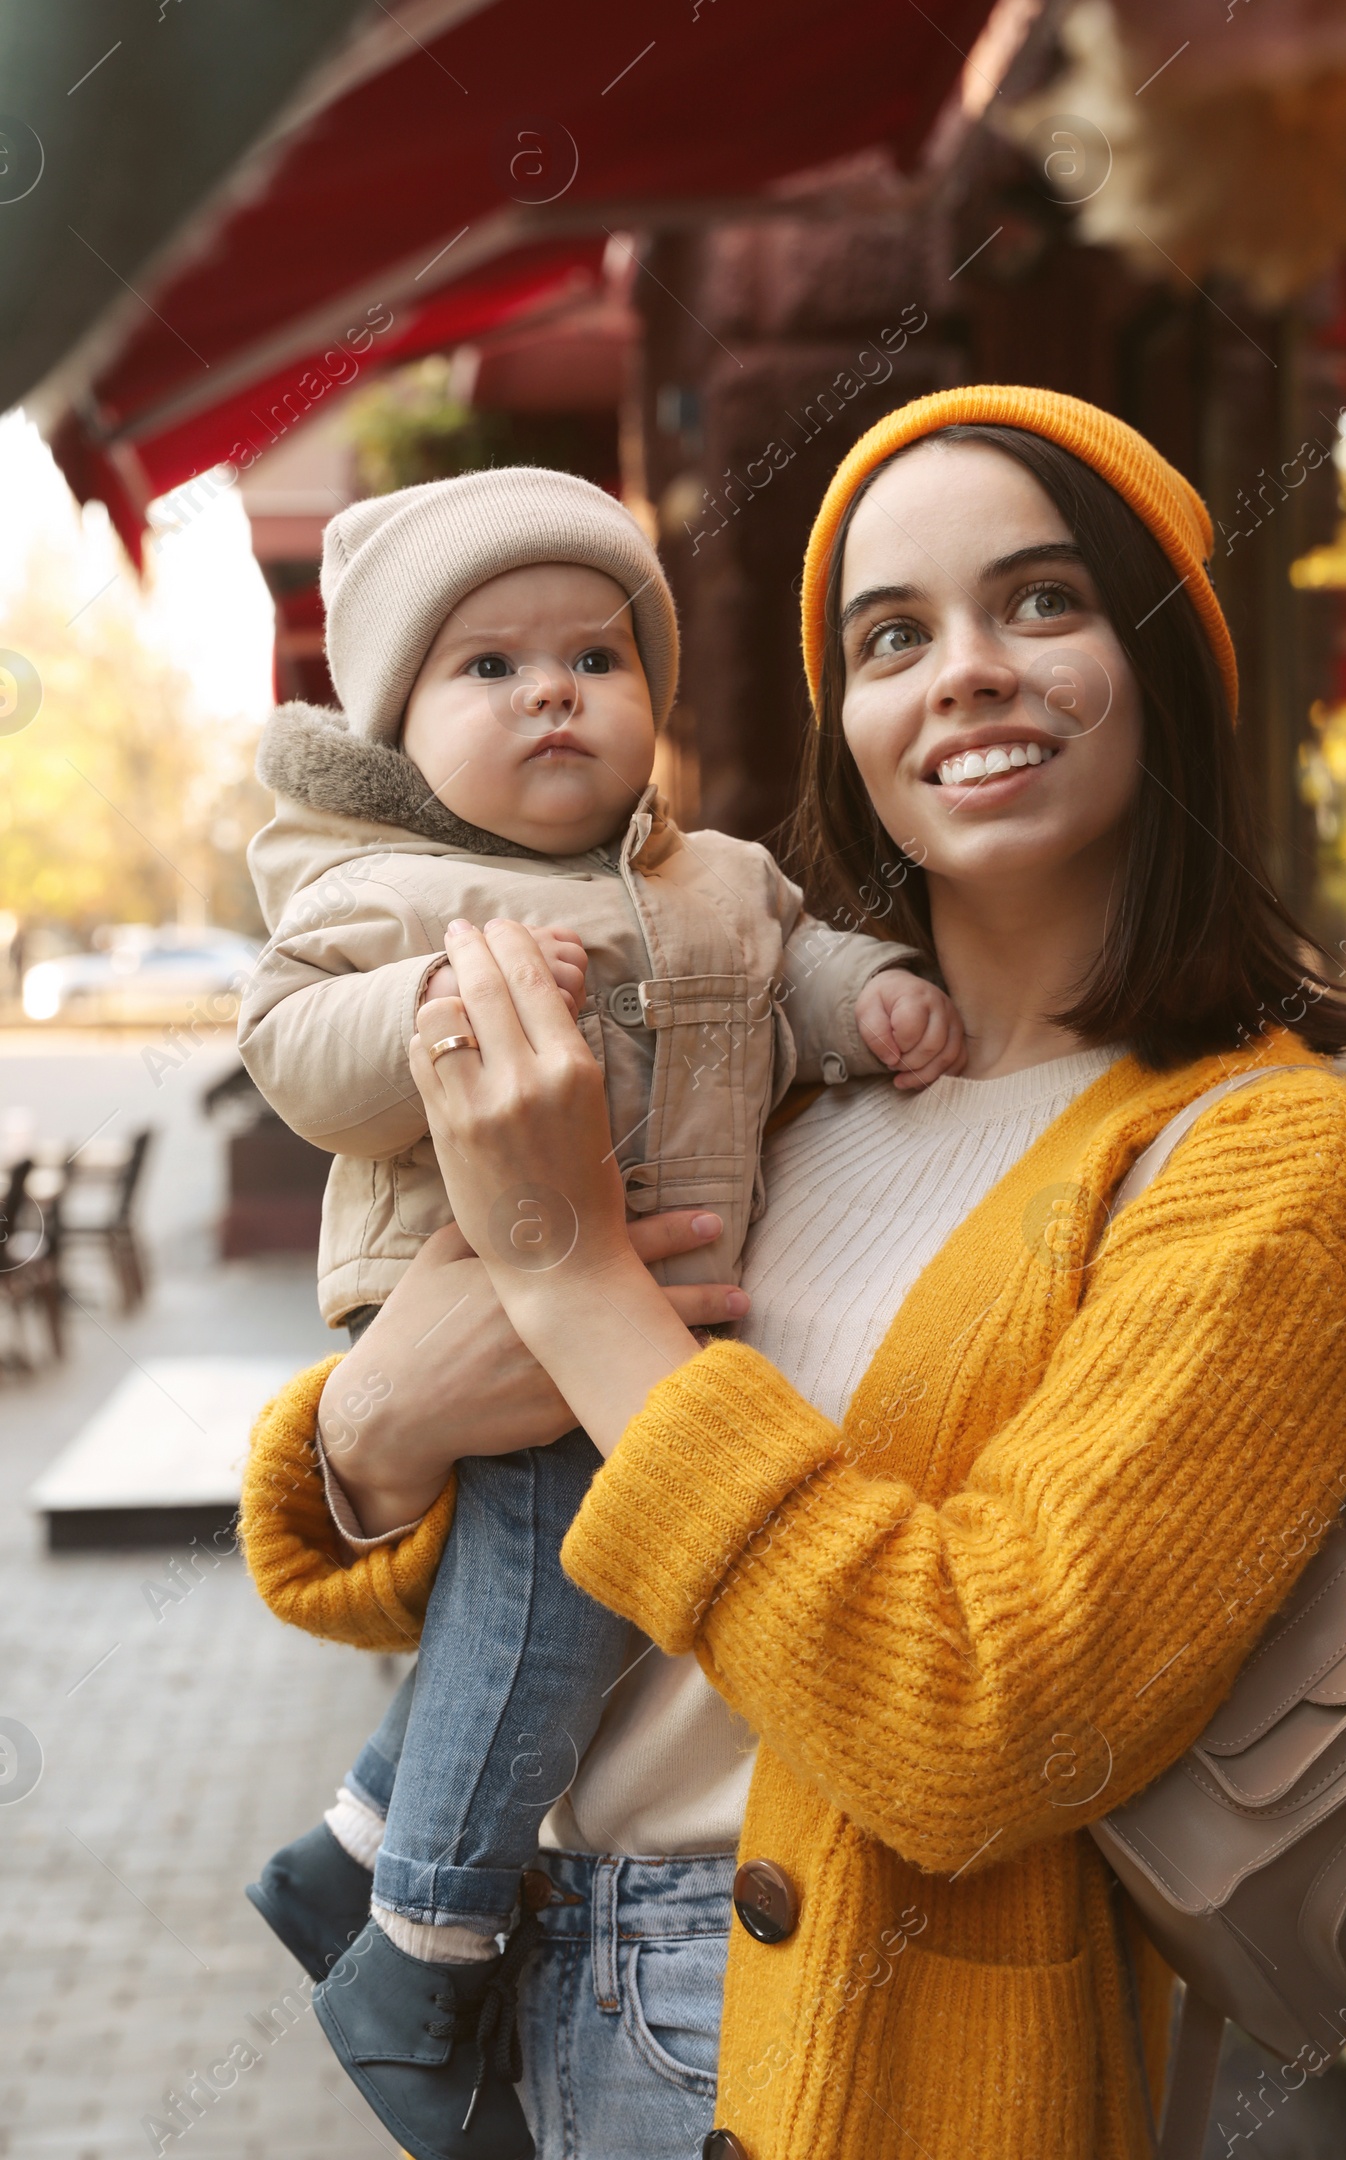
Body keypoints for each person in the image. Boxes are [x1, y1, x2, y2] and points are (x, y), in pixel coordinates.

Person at [239, 386, 1346, 2160]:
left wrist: (573, 1283)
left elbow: (980, 1723)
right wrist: (373, 1432)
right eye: (892, 635)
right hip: (541, 1992)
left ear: (1166, 661)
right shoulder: (775, 1092)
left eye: (1041, 601)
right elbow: (489, 1568)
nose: (963, 672)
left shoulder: (1269, 1164)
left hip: (870, 2058)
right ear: (846, 721)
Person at [233, 466, 964, 2160]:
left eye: (595, 656)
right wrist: (430, 1004)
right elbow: (293, 1051)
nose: (552, 690)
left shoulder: (718, 876)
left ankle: (347, 1848)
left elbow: (795, 970)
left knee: (563, 1611)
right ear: (403, 726)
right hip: (475, 1305)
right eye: (488, 668)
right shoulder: (384, 896)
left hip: (640, 1329)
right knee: (569, 1589)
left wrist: (885, 1002)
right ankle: (420, 1950)